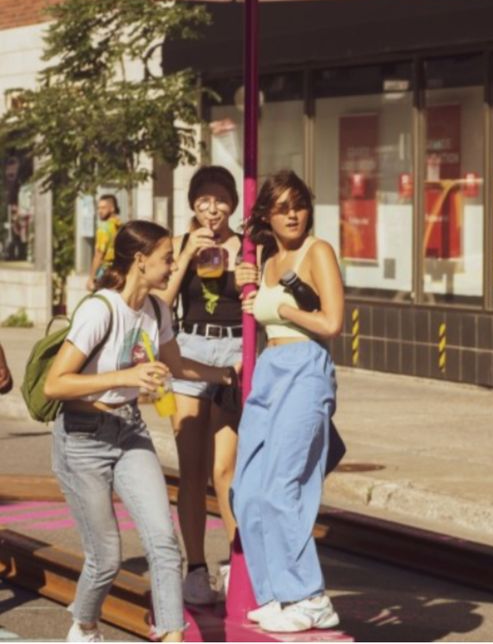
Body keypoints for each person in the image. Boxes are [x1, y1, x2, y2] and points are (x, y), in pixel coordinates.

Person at [42, 220, 240, 643]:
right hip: (82, 436)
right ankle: (85, 625)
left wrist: (225, 374)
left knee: (164, 541)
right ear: (140, 259)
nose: (173, 267)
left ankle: (171, 634)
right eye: (168, 258)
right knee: (106, 558)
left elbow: (179, 365)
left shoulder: (157, 311)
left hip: (129, 431)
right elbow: (56, 384)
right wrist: (128, 376)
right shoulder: (101, 309)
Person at [233, 170, 344, 633]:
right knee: (247, 489)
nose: (293, 213)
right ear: (267, 216)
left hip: (304, 369)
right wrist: (250, 286)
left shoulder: (316, 251)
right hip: (269, 372)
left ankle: (310, 595)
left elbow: (333, 322)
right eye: (282, 207)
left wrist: (283, 308)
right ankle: (278, 593)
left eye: (298, 204)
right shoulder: (263, 257)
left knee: (282, 486)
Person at [153, 166, 244, 606]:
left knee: (224, 470)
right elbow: (161, 304)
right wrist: (186, 254)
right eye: (204, 200)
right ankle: (195, 568)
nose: (213, 208)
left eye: (221, 199)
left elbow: (254, 303)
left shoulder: (247, 247)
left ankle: (236, 563)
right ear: (192, 203)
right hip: (187, 352)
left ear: (233, 203)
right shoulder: (177, 245)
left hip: (234, 354)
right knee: (191, 470)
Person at [88, 195, 123, 292]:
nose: (100, 211)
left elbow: (99, 254)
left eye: (103, 208)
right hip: (120, 272)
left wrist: (91, 278)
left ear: (112, 208)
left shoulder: (104, 228)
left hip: (105, 272)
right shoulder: (121, 226)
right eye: (98, 208)